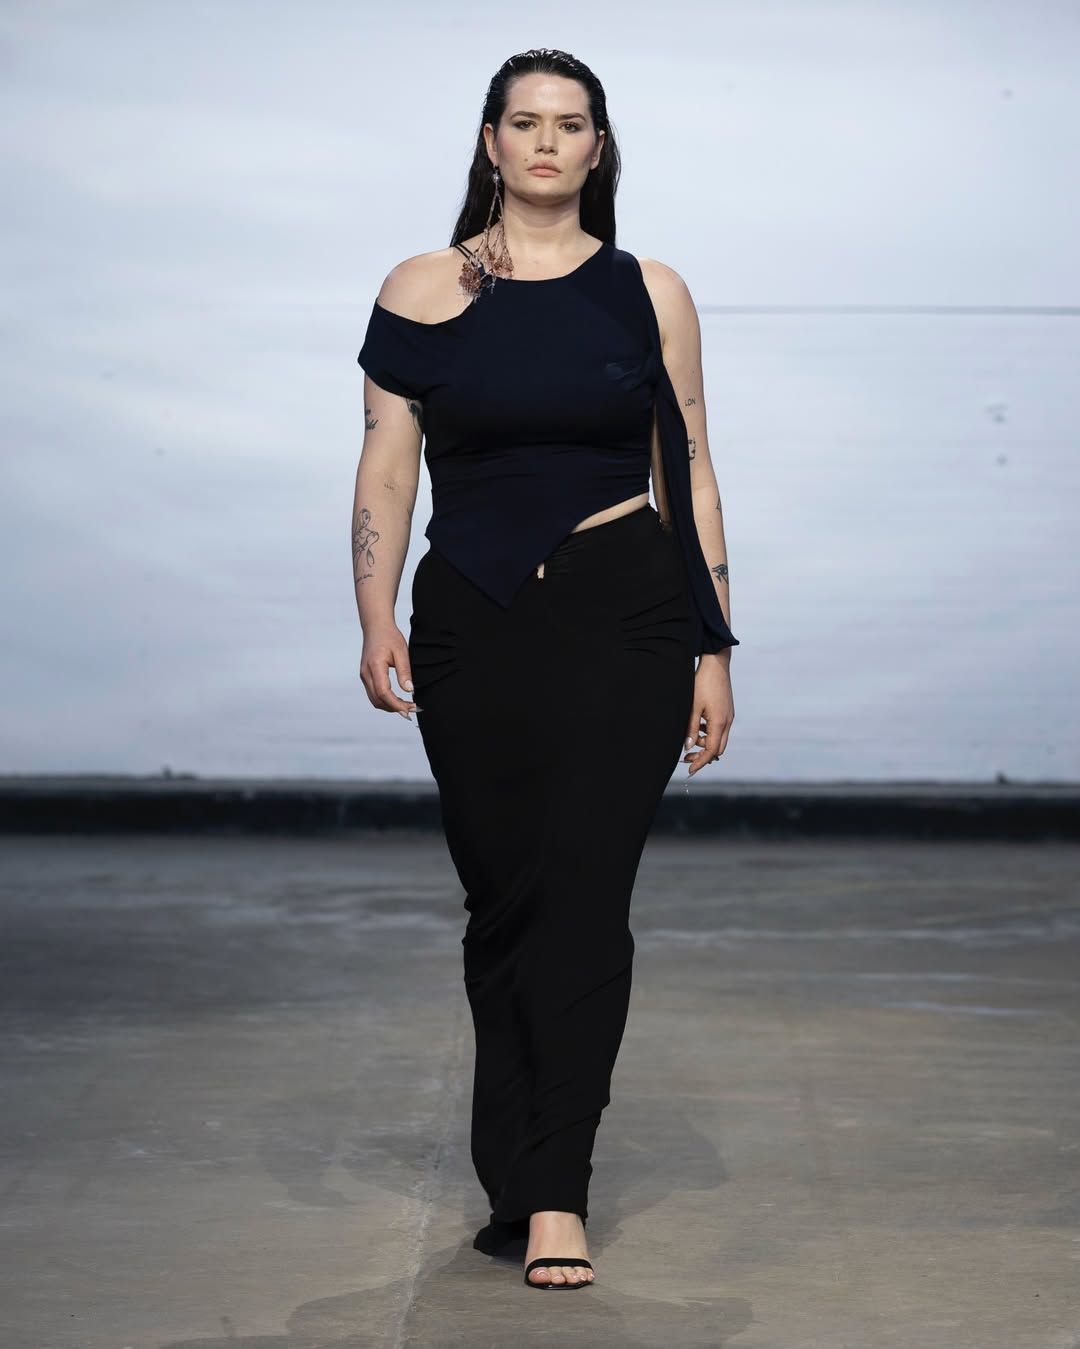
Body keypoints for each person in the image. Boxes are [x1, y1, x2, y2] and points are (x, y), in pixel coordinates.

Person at [352, 47, 739, 1292]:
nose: (547, 143)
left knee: (583, 893)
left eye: (571, 124)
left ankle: (558, 1187)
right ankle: (513, 1176)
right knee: (504, 900)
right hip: (471, 616)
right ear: (490, 141)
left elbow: (689, 470)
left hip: (626, 611)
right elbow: (385, 463)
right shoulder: (420, 288)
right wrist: (373, 614)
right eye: (525, 122)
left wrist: (714, 644)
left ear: (597, 148)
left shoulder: (648, 291)